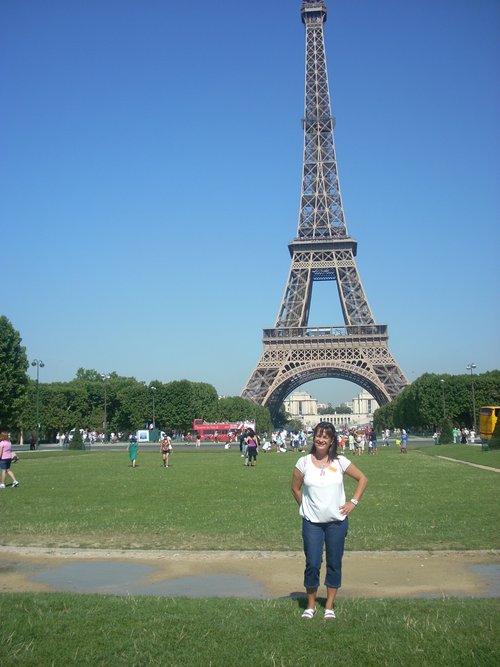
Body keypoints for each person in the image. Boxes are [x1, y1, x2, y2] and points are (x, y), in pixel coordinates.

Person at [291, 422, 367, 620]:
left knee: (334, 563)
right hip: (312, 523)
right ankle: (310, 605)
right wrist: (305, 507)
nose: (321, 439)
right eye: (318, 435)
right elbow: (295, 488)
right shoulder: (303, 462)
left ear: (332, 440)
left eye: (325, 436)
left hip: (337, 522)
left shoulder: (340, 461)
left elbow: (362, 479)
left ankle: (329, 605)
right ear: (313, 437)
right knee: (313, 563)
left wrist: (353, 502)